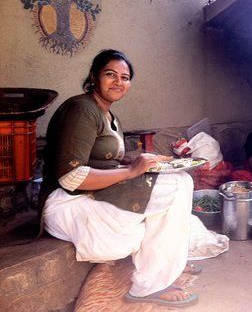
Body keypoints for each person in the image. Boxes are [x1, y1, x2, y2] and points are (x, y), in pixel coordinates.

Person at [39, 49, 198, 308]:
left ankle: (159, 271)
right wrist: (131, 172)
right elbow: (71, 178)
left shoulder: (110, 115)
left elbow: (107, 157)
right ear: (94, 76)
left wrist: (141, 159)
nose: (118, 82)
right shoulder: (82, 109)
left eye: (125, 77)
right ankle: (150, 283)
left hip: (93, 193)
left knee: (178, 181)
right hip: (66, 202)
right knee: (176, 188)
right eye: (110, 75)